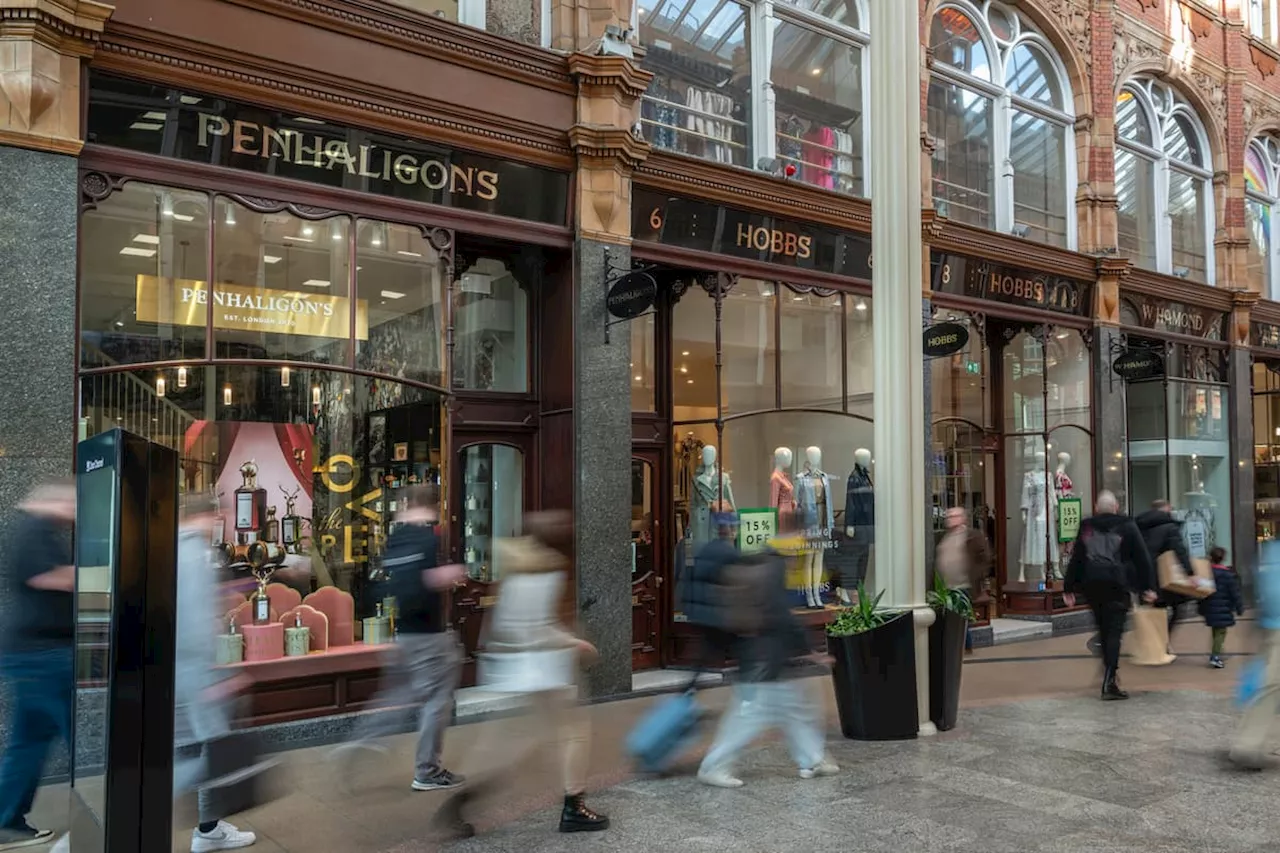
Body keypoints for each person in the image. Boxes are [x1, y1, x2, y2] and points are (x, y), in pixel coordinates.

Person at [432, 511, 606, 838]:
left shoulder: (516, 568)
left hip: (516, 666)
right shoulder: (549, 571)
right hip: (542, 668)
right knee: (573, 732)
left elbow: (506, 623)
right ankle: (574, 806)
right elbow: (539, 627)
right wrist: (574, 641)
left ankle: (461, 801)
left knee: (509, 740)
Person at [340, 483, 466, 791]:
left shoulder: (396, 538)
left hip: (403, 633)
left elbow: (392, 583)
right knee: (439, 698)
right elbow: (423, 583)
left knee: (399, 695)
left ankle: (364, 738)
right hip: (429, 634)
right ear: (434, 505)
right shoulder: (426, 536)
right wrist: (448, 575)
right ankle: (428, 770)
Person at [176, 494, 275, 853]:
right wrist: (214, 674)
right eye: (217, 518)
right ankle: (206, 830)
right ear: (205, 517)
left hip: (177, 670)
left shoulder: (168, 551)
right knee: (207, 755)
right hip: (193, 671)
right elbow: (195, 621)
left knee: (196, 752)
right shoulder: (192, 556)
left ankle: (209, 827)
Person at [696, 548, 838, 788]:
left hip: (760, 657)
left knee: (794, 710)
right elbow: (784, 618)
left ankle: (812, 759)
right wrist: (810, 650)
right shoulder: (772, 577)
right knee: (748, 717)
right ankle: (713, 766)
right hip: (765, 660)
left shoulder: (757, 572)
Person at [0, 481, 75, 851]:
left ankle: (6, 822)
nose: (74, 510)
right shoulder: (34, 530)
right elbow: (48, 576)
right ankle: (96, 823)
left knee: (27, 743)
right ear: (51, 501)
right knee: (89, 740)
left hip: (34, 655)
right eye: (70, 502)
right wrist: (103, 575)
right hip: (44, 657)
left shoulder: (41, 530)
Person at [1063, 490, 1157, 701]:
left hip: (1092, 586)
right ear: (1115, 507)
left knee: (1103, 630)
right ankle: (1110, 678)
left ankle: (1109, 672)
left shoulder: (1087, 526)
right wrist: (1148, 587)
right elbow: (1142, 558)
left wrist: (1069, 588)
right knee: (1114, 631)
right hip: (1117, 585)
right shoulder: (1127, 525)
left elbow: (1077, 557)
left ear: (1097, 508)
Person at [681, 506, 740, 683]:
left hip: (704, 613)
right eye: (733, 528)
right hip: (718, 614)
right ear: (728, 530)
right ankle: (748, 695)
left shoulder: (706, 549)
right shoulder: (729, 553)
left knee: (706, 652)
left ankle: (688, 690)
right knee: (744, 650)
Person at [1230, 561, 1280, 768]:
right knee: (1271, 686)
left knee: (1270, 685)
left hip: (1272, 626)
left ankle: (1248, 743)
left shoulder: (1272, 552)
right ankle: (1248, 744)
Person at [1135, 499, 1193, 648]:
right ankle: (1162, 641)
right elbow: (1180, 551)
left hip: (1146, 576)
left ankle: (1154, 642)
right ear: (1165, 509)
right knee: (1177, 609)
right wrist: (1190, 572)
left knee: (1155, 609)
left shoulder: (1139, 526)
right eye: (1169, 508)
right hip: (1167, 575)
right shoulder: (1169, 527)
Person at [935, 507, 991, 652]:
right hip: (947, 587)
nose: (949, 519)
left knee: (960, 617)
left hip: (963, 585)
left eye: (953, 516)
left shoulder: (972, 536)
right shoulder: (944, 537)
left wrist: (978, 576)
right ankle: (959, 647)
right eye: (948, 516)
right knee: (953, 619)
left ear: (962, 518)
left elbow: (984, 558)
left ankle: (966, 647)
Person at [1198, 546, 1243, 669]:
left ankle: (1217, 651)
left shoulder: (1206, 573)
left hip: (1210, 608)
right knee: (1221, 632)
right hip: (1224, 608)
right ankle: (1215, 656)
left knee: (1216, 631)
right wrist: (1239, 608)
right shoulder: (1228, 575)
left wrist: (1201, 607)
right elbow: (1235, 593)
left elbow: (1201, 592)